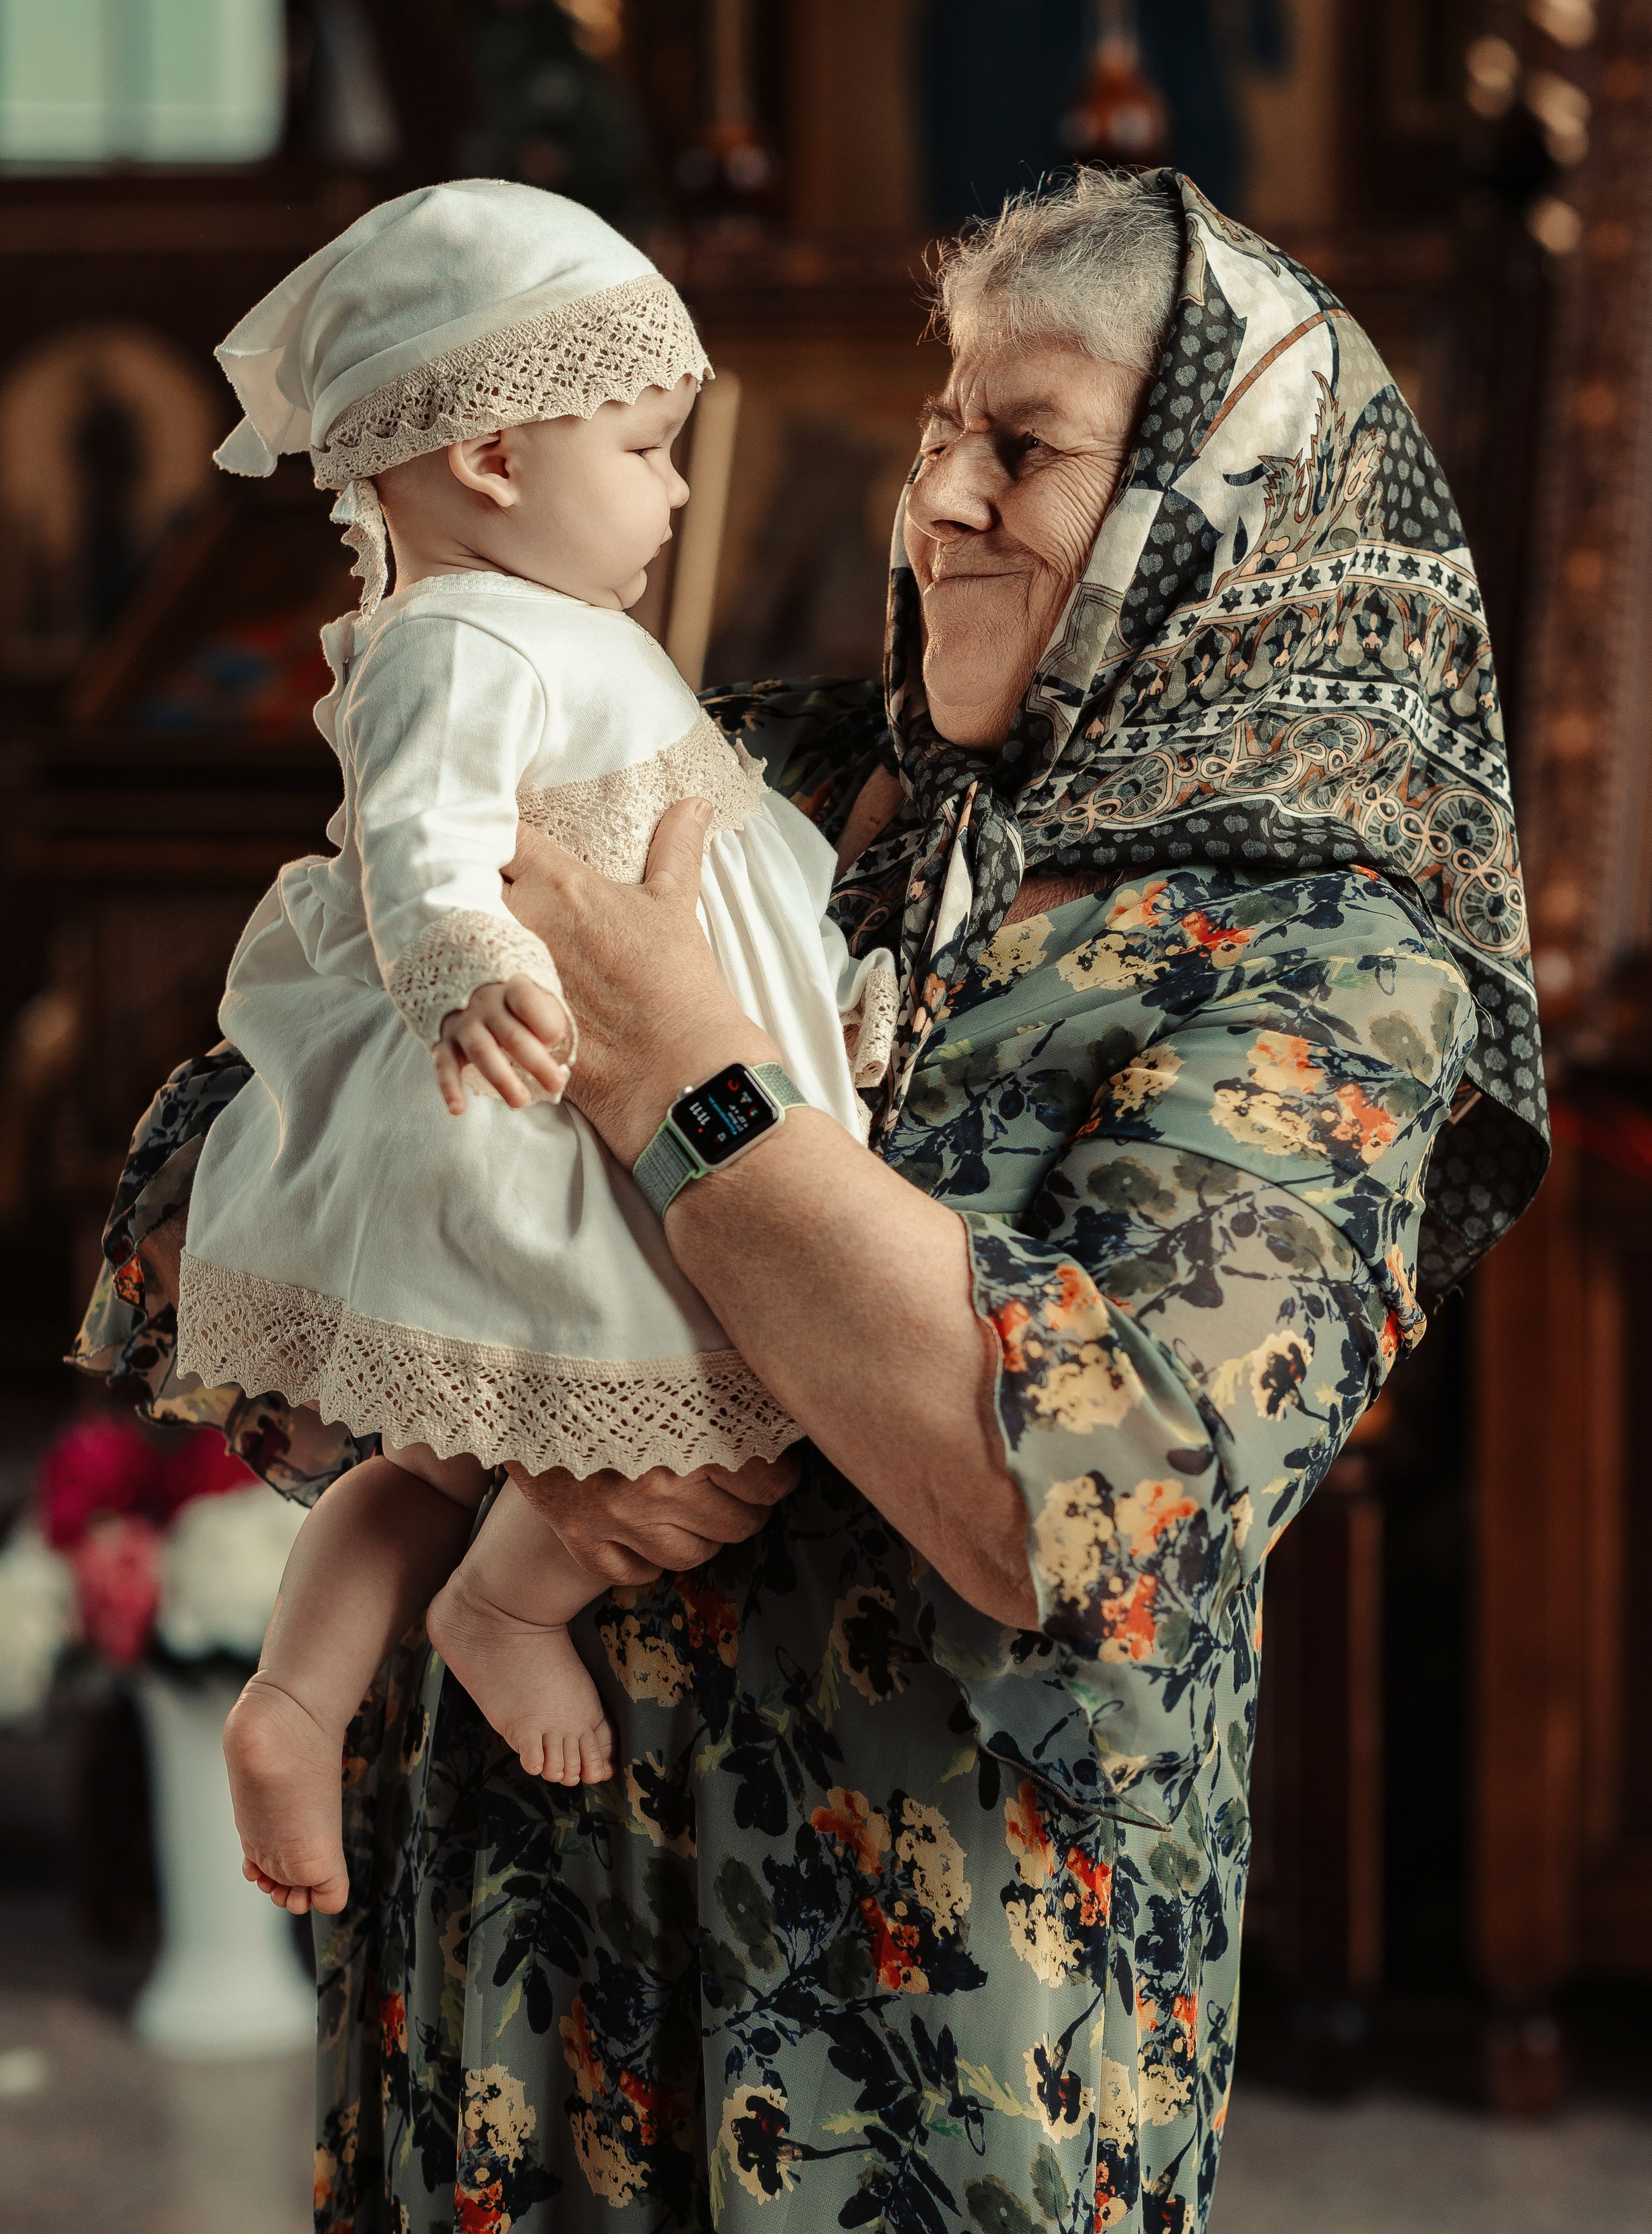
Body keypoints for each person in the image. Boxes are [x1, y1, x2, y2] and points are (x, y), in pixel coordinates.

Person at [77, 168, 1546, 2234]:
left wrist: (683, 1088)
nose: (931, 498)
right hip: (505, 2001)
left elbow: (1088, 1506)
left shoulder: (1316, 968)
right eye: (939, 427)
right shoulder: (719, 763)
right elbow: (193, 1219)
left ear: (1217, 505)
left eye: (1020, 446)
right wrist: (496, 1427)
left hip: (902, 2071)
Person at [168, 183, 896, 1917]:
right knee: (681, 1394)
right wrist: (462, 963)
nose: (679, 486)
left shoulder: (549, 628)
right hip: (544, 1090)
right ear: (495, 455)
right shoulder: (465, 635)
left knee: (453, 1442)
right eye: (648, 447)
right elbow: (416, 836)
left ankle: (302, 1695)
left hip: (627, 1058)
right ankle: (476, 1617)